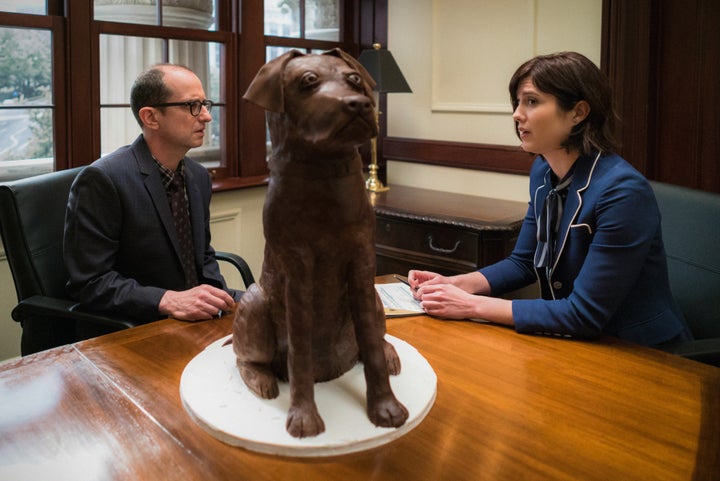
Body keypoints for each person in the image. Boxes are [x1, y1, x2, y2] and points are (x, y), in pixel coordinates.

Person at [408, 52, 691, 347]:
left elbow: (583, 314)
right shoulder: (543, 169)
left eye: (531, 101)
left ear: (578, 112)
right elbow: (524, 262)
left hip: (640, 351)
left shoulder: (623, 192)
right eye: (517, 102)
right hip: (574, 342)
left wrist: (471, 305)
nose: (517, 114)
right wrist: (454, 284)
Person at [64, 64, 239, 324]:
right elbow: (90, 283)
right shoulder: (103, 179)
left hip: (195, 317)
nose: (206, 116)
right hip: (136, 326)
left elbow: (202, 258)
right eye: (192, 105)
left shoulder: (198, 176)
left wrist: (220, 298)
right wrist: (168, 300)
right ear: (151, 117)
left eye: (205, 104)